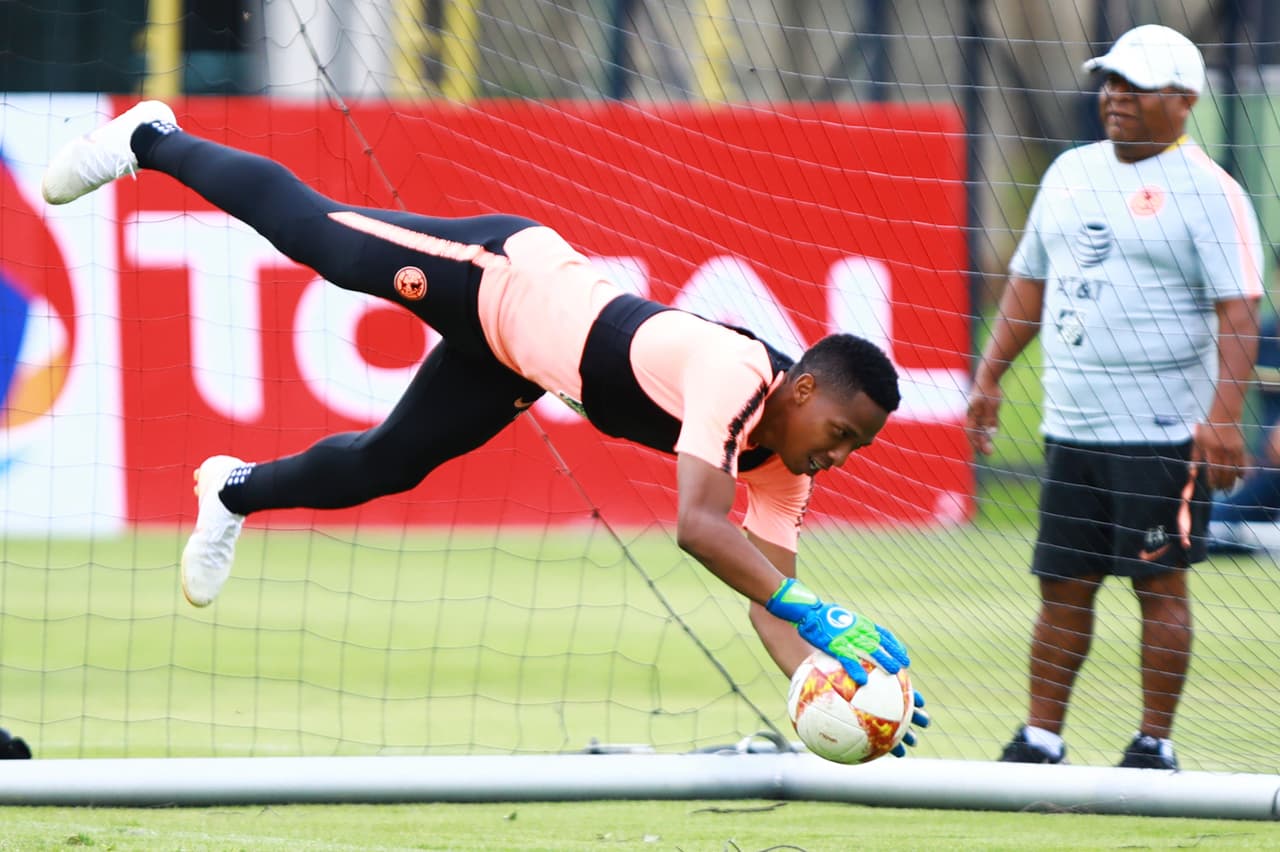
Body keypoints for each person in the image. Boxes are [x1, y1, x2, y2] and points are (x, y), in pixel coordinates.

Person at [41, 101, 927, 752]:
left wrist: (835, 679)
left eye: (858, 449)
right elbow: (699, 528)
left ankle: (233, 489)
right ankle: (148, 140)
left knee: (383, 468)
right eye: (841, 432)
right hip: (499, 276)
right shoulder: (739, 375)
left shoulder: (785, 470)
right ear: (805, 388)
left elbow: (767, 598)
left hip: (518, 362)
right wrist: (824, 615)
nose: (840, 458)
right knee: (325, 243)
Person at [966, 24, 1262, 770]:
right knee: (1062, 586)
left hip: (1160, 432)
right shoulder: (1070, 172)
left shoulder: (1213, 194)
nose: (1115, 98)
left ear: (1184, 101)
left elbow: (1239, 313)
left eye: (1134, 87)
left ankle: (1153, 744)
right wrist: (990, 375)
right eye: (1110, 83)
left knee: (1158, 585)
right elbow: (1029, 286)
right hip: (1073, 426)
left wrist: (1223, 420)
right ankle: (1040, 738)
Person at [1208, 314, 1280, 554]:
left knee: (1212, 527)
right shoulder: (1262, 336)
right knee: (1213, 520)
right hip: (1263, 471)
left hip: (1272, 472)